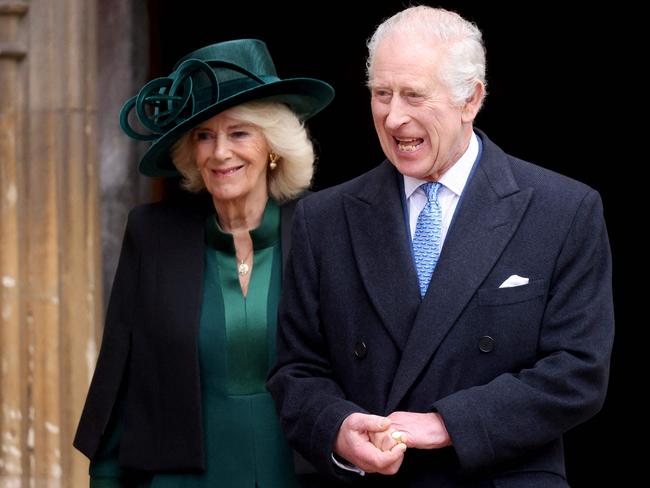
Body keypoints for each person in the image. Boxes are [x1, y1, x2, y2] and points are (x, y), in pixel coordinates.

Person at [267, 6, 614, 487]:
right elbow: (296, 370)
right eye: (381, 94)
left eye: (413, 95)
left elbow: (579, 372)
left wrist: (448, 423)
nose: (393, 117)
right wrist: (338, 429)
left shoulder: (564, 210)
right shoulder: (323, 220)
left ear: (471, 99)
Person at [73, 38, 334, 487]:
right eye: (204, 136)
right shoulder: (152, 236)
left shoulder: (326, 229)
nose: (219, 153)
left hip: (300, 473)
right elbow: (121, 383)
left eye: (239, 133)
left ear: (272, 144)